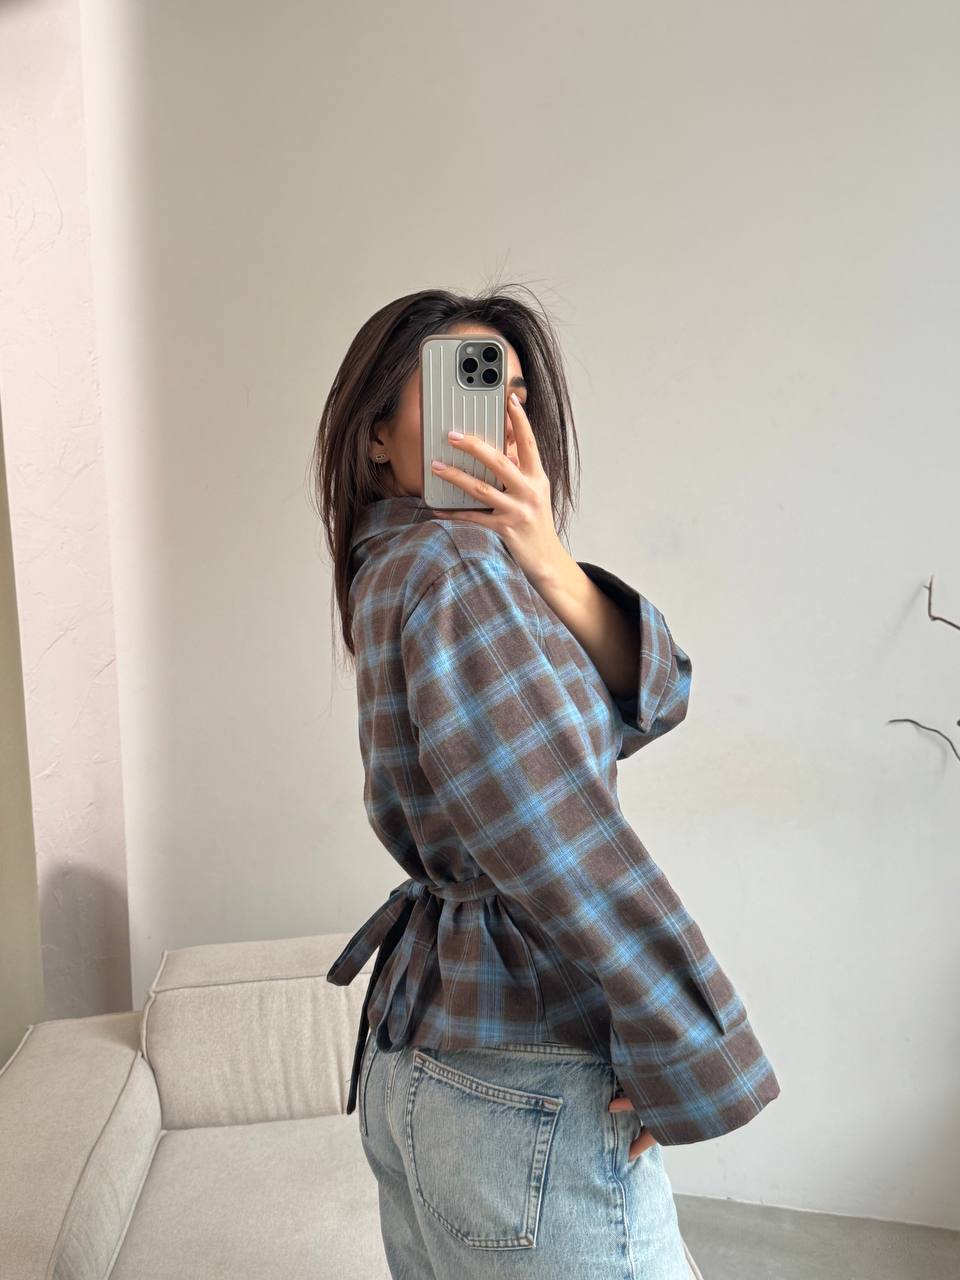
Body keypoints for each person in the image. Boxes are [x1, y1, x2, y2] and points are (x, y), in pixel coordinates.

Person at [310, 284, 780, 1278]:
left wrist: (550, 558)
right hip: (522, 1076)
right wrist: (685, 1036)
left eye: (516, 393)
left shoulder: (410, 561)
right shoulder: (455, 568)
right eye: (467, 387)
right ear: (377, 439)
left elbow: (656, 695)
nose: (502, 419)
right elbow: (553, 830)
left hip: (432, 1059)